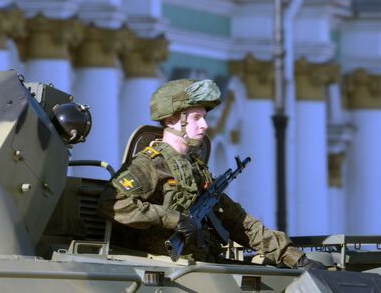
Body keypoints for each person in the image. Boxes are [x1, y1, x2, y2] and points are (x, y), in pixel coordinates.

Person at [97, 79, 324, 270]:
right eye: (196, 118)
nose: (204, 125)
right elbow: (112, 203)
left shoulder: (195, 169)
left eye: (204, 117)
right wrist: (174, 219)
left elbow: (237, 220)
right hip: (164, 269)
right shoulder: (148, 165)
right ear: (171, 120)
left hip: (200, 265)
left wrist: (295, 259)